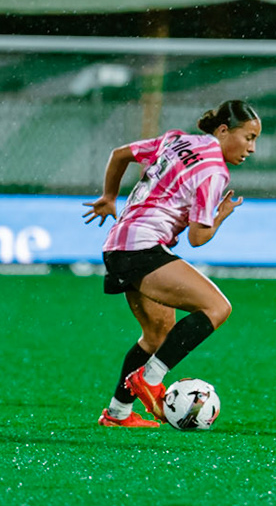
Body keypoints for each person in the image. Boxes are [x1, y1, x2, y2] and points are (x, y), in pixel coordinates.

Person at [82, 99, 258, 426]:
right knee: (217, 308)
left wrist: (109, 196)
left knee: (157, 336)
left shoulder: (176, 139)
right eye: (249, 137)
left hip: (119, 245)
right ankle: (150, 379)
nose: (253, 148)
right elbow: (197, 237)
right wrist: (220, 217)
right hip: (142, 248)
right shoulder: (214, 171)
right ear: (223, 130)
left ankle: (118, 413)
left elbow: (120, 154)